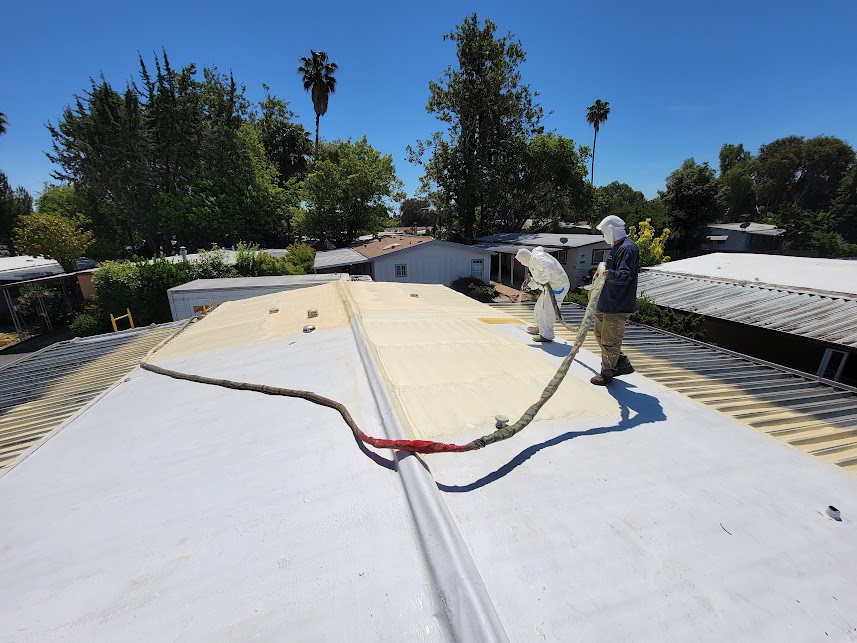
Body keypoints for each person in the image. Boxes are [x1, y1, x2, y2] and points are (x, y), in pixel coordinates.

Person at [591, 215, 640, 385]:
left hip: (618, 304)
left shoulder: (628, 249)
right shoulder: (617, 247)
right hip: (606, 301)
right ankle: (621, 363)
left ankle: (607, 373)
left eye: (604, 231)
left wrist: (608, 274)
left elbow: (625, 275)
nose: (604, 235)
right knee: (599, 335)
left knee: (610, 341)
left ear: (612, 231)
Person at [515, 246, 570, 342]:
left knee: (548, 311)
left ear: (524, 258)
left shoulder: (537, 258)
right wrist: (531, 283)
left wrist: (534, 282)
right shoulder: (534, 260)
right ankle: (540, 328)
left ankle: (546, 335)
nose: (521, 263)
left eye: (520, 261)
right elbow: (540, 279)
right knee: (539, 307)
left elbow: (544, 275)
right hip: (551, 287)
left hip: (558, 287)